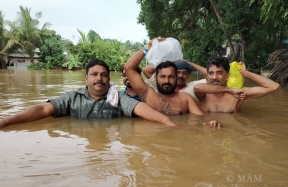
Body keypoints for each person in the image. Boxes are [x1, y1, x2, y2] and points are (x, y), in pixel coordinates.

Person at [0, 58, 176, 128]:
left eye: (104, 75)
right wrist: (7, 121)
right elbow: (42, 110)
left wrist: (166, 121)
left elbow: (141, 109)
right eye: (94, 74)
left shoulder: (118, 98)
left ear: (108, 79)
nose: (99, 78)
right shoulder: (72, 98)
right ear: (86, 78)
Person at [124, 41, 221, 128]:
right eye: (163, 77)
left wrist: (211, 122)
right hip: (154, 142)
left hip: (178, 138)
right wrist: (148, 46)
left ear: (176, 78)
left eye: (171, 77)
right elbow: (129, 68)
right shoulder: (147, 93)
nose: (167, 81)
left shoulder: (186, 98)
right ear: (155, 78)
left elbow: (200, 118)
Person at [194, 56, 280, 113]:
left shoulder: (239, 94)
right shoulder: (203, 94)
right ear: (207, 76)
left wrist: (246, 74)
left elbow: (273, 86)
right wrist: (230, 90)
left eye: (219, 73)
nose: (214, 77)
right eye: (211, 73)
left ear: (228, 76)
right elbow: (197, 88)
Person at [142, 60, 207, 101]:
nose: (181, 75)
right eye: (178, 72)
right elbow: (145, 70)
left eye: (184, 73)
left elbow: (210, 76)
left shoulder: (194, 87)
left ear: (188, 76)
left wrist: (191, 64)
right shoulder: (163, 85)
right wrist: (171, 61)